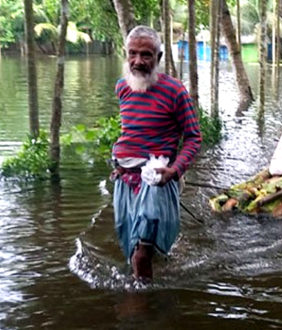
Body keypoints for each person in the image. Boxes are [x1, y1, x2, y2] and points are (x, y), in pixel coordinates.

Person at [110, 25, 201, 286]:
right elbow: (131, 130)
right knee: (130, 247)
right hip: (125, 178)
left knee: (141, 254)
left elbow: (194, 137)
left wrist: (174, 171)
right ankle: (150, 278)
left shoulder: (174, 91)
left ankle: (142, 309)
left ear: (159, 58)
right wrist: (120, 162)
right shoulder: (122, 87)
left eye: (146, 55)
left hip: (157, 178)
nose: (138, 61)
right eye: (133, 54)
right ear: (126, 54)